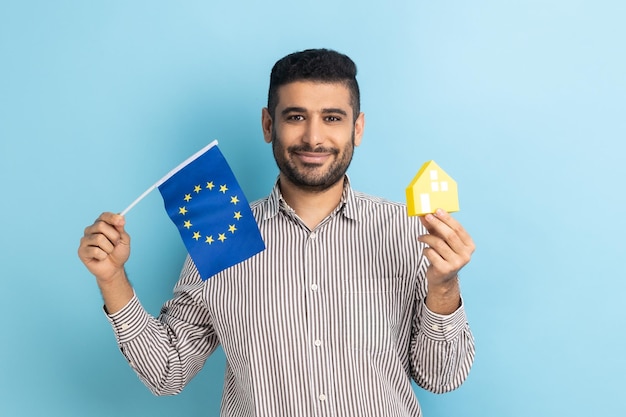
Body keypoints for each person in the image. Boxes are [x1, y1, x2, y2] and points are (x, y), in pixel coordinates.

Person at [78, 48, 476, 416]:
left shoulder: (406, 232)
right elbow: (168, 371)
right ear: (269, 124)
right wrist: (112, 279)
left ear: (358, 128)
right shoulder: (225, 234)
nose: (314, 138)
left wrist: (443, 286)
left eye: (332, 118)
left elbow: (441, 377)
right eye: (296, 116)